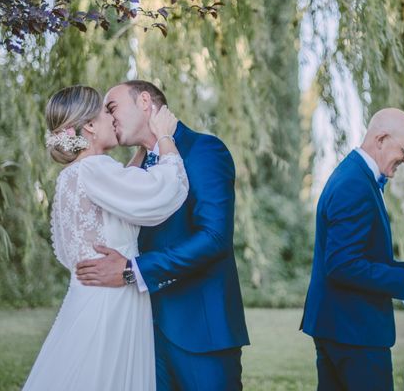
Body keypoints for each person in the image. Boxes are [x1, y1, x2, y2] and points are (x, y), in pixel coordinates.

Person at [76, 80, 250, 391]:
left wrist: (133, 270)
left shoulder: (204, 150)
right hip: (141, 331)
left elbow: (213, 237)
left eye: (112, 107)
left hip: (199, 331)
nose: (108, 117)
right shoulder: (132, 170)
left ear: (144, 101)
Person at [22, 85, 189, 391]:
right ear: (88, 126)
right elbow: (164, 191)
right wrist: (163, 136)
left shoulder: (73, 175)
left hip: (88, 298)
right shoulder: (95, 170)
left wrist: (141, 149)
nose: (113, 119)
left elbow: (119, 196)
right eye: (106, 111)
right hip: (111, 305)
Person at [301, 108, 404, 390]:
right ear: (380, 139)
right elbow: (342, 265)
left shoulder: (355, 175)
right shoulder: (354, 184)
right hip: (354, 332)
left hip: (340, 327)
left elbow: (365, 257)